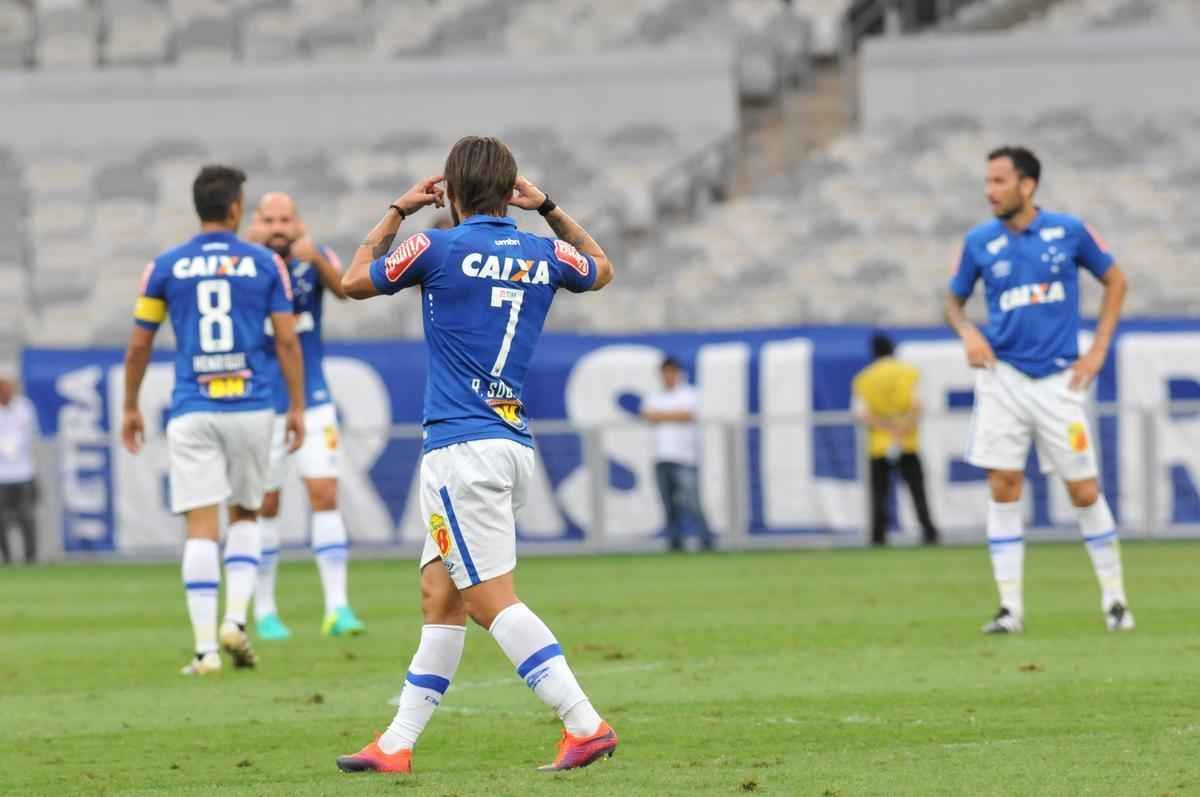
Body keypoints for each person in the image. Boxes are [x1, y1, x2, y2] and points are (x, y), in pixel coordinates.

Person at [334, 136, 617, 775]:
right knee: (441, 595)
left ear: (451, 194)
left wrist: (397, 211)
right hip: (506, 442)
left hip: (461, 448)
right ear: (513, 192)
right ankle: (397, 745)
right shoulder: (545, 252)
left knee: (491, 602)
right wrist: (549, 208)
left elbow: (352, 282)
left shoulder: (436, 245)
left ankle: (585, 723)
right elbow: (602, 266)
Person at [121, 165, 307, 675]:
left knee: (201, 529)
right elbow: (287, 340)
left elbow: (140, 344)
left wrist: (130, 405)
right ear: (234, 209)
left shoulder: (164, 266)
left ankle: (205, 650)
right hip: (251, 405)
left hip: (193, 407)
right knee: (246, 515)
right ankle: (236, 622)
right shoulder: (267, 264)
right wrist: (295, 405)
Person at [945, 146, 1132, 635]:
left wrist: (1098, 352)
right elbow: (953, 300)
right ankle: (1010, 609)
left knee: (1084, 490)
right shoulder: (979, 240)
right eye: (987, 181)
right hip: (1002, 380)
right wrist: (967, 331)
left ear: (1027, 185)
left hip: (1058, 381)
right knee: (1003, 487)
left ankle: (1115, 600)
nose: (990, 191)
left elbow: (1115, 280)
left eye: (1000, 181)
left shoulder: (1068, 230)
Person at [247, 193, 366, 640]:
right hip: (260, 402)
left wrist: (314, 257)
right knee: (266, 504)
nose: (278, 227)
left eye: (285, 219)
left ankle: (337, 607)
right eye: (269, 219)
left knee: (324, 494)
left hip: (313, 398)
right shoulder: (243, 265)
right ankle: (265, 611)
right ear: (253, 224)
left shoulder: (313, 258)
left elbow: (345, 290)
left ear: (299, 223)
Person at [852, 333, 939, 546]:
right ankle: (928, 532)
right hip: (907, 442)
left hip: (880, 445)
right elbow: (918, 406)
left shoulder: (864, 378)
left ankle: (878, 535)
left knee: (879, 493)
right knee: (917, 490)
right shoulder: (909, 373)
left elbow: (861, 414)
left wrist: (887, 428)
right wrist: (901, 428)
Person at [642, 356, 715, 551]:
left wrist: (662, 415)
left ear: (678, 373)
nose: (668, 376)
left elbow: (687, 414)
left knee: (693, 502)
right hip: (661, 457)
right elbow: (648, 415)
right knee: (668, 506)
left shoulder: (689, 393)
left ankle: (706, 539)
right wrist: (672, 415)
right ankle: (675, 543)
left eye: (671, 372)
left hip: (685, 458)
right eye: (665, 372)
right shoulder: (654, 395)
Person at [0, 371, 38, 564]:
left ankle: (31, 557)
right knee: (1, 520)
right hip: (1, 476)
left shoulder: (24, 407)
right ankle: (7, 558)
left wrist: (14, 445)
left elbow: (29, 433)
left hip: (24, 472)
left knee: (27, 517)